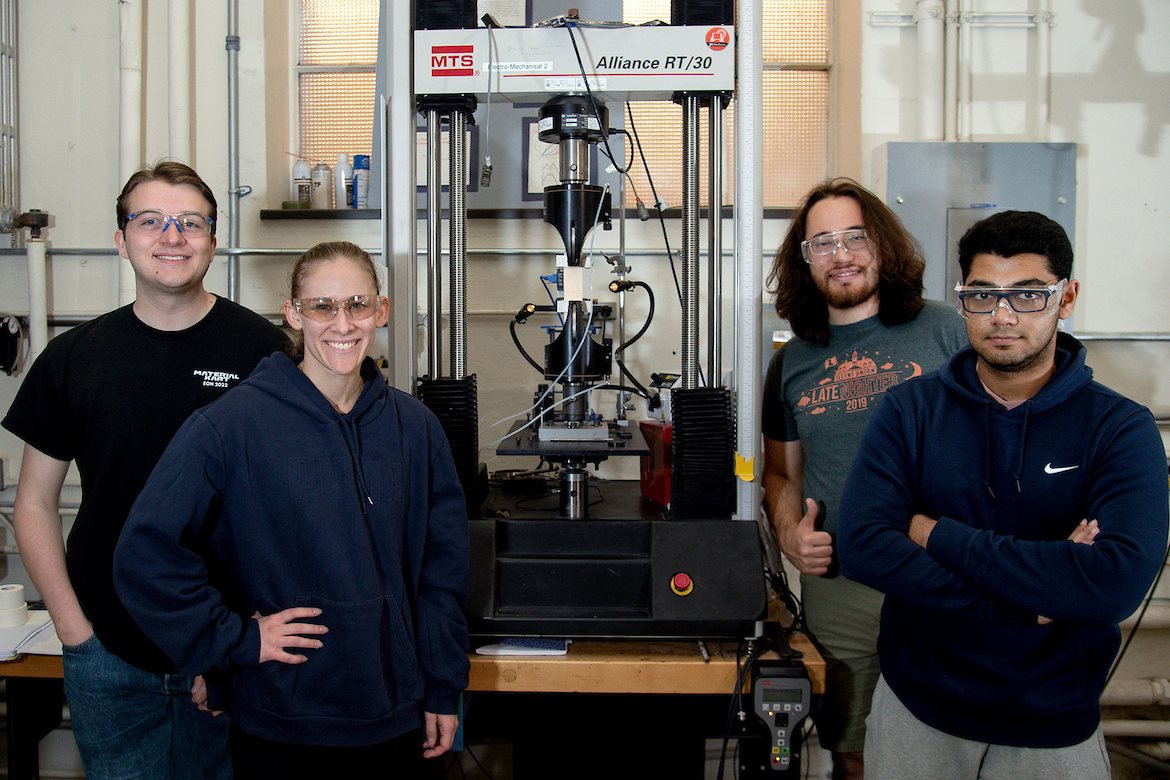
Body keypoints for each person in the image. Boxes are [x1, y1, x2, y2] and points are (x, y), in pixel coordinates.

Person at [113, 240, 470, 779]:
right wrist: (233, 639)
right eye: (322, 306)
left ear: (382, 310)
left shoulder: (415, 428)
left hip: (398, 716)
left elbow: (441, 572)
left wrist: (443, 685)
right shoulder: (229, 426)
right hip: (280, 719)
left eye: (357, 304)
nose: (342, 323)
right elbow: (145, 555)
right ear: (293, 314)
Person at [837, 210, 1168, 779]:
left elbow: (1112, 584)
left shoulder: (1120, 427)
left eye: (1029, 295)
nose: (1004, 316)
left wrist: (935, 532)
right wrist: (1029, 598)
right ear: (963, 300)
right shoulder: (910, 411)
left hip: (1054, 726)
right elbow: (865, 545)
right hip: (919, 713)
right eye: (983, 296)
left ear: (1066, 299)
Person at [1, 161, 289, 778]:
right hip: (108, 651)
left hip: (231, 648)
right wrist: (75, 632)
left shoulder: (262, 354)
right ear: (121, 240)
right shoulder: (74, 358)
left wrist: (240, 640)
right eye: (150, 220)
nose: (171, 235)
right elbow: (33, 504)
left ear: (213, 240)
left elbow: (293, 505)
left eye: (190, 222)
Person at [761, 177, 966, 779]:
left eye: (855, 237)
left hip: (942, 575)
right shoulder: (791, 360)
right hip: (843, 586)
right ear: (804, 261)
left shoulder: (946, 332)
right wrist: (792, 535)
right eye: (822, 242)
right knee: (852, 751)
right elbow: (779, 471)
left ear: (882, 244)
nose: (841, 254)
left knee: (945, 745)